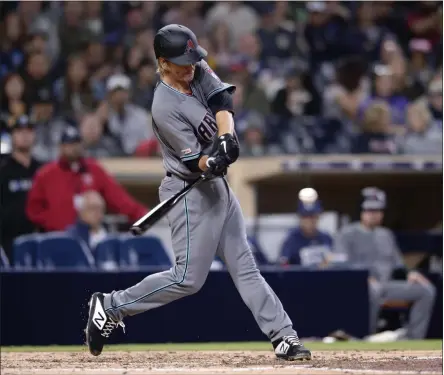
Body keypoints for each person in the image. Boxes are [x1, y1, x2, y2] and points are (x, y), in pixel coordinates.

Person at [85, 24, 311, 361]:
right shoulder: (164, 106)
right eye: (182, 62)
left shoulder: (195, 67)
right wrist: (213, 161)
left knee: (245, 266)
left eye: (193, 59)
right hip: (189, 192)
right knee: (188, 279)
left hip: (216, 189)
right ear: (162, 63)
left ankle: (284, 336)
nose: (191, 66)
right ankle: (111, 306)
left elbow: (222, 99)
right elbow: (193, 161)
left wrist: (227, 137)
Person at [333, 187, 436, 339]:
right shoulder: (347, 233)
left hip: (386, 284)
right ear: (361, 211)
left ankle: (414, 339)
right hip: (360, 286)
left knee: (426, 290)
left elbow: (398, 265)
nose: (374, 214)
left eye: (378, 210)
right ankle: (366, 338)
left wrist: (411, 274)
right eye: (369, 210)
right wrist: (362, 277)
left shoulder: (386, 235)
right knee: (373, 289)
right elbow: (340, 264)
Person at [26, 126, 148, 232]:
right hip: (58, 238)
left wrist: (144, 215)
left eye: (76, 143)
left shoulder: (94, 169)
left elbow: (119, 199)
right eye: (69, 144)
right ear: (61, 147)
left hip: (90, 237)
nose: (74, 148)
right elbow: (34, 210)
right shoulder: (46, 174)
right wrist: (55, 223)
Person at [0, 115, 41, 260]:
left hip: (39, 240)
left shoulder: (42, 169)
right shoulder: (3, 170)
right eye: (19, 131)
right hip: (8, 241)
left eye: (29, 131)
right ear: (12, 136)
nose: (25, 135)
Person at [280, 188, 333, 267]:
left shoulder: (326, 237)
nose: (309, 221)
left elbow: (335, 261)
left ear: (318, 217)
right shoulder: (291, 239)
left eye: (312, 216)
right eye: (305, 217)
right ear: (300, 218)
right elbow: (283, 266)